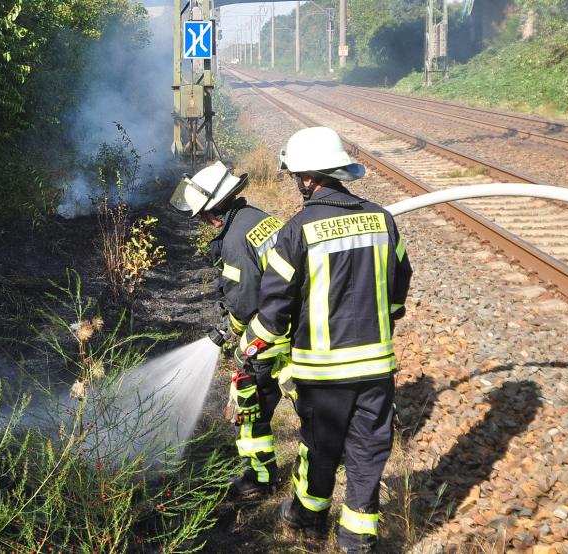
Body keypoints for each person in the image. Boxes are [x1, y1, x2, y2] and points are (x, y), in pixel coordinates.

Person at [237, 127, 412, 552]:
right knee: (368, 452)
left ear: (308, 178)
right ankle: (357, 537)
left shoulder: (296, 230)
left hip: (323, 370)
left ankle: (307, 519)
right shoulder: (382, 219)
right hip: (375, 368)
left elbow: (275, 306)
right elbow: (400, 282)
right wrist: (380, 321)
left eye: (297, 177)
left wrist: (252, 344)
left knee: (319, 448)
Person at [170, 161, 290, 496]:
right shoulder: (258, 217)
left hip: (270, 333)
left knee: (250, 409)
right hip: (293, 325)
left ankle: (259, 479)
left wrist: (229, 332)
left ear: (215, 209)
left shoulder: (235, 241)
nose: (206, 222)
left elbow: (242, 302)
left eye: (204, 215)